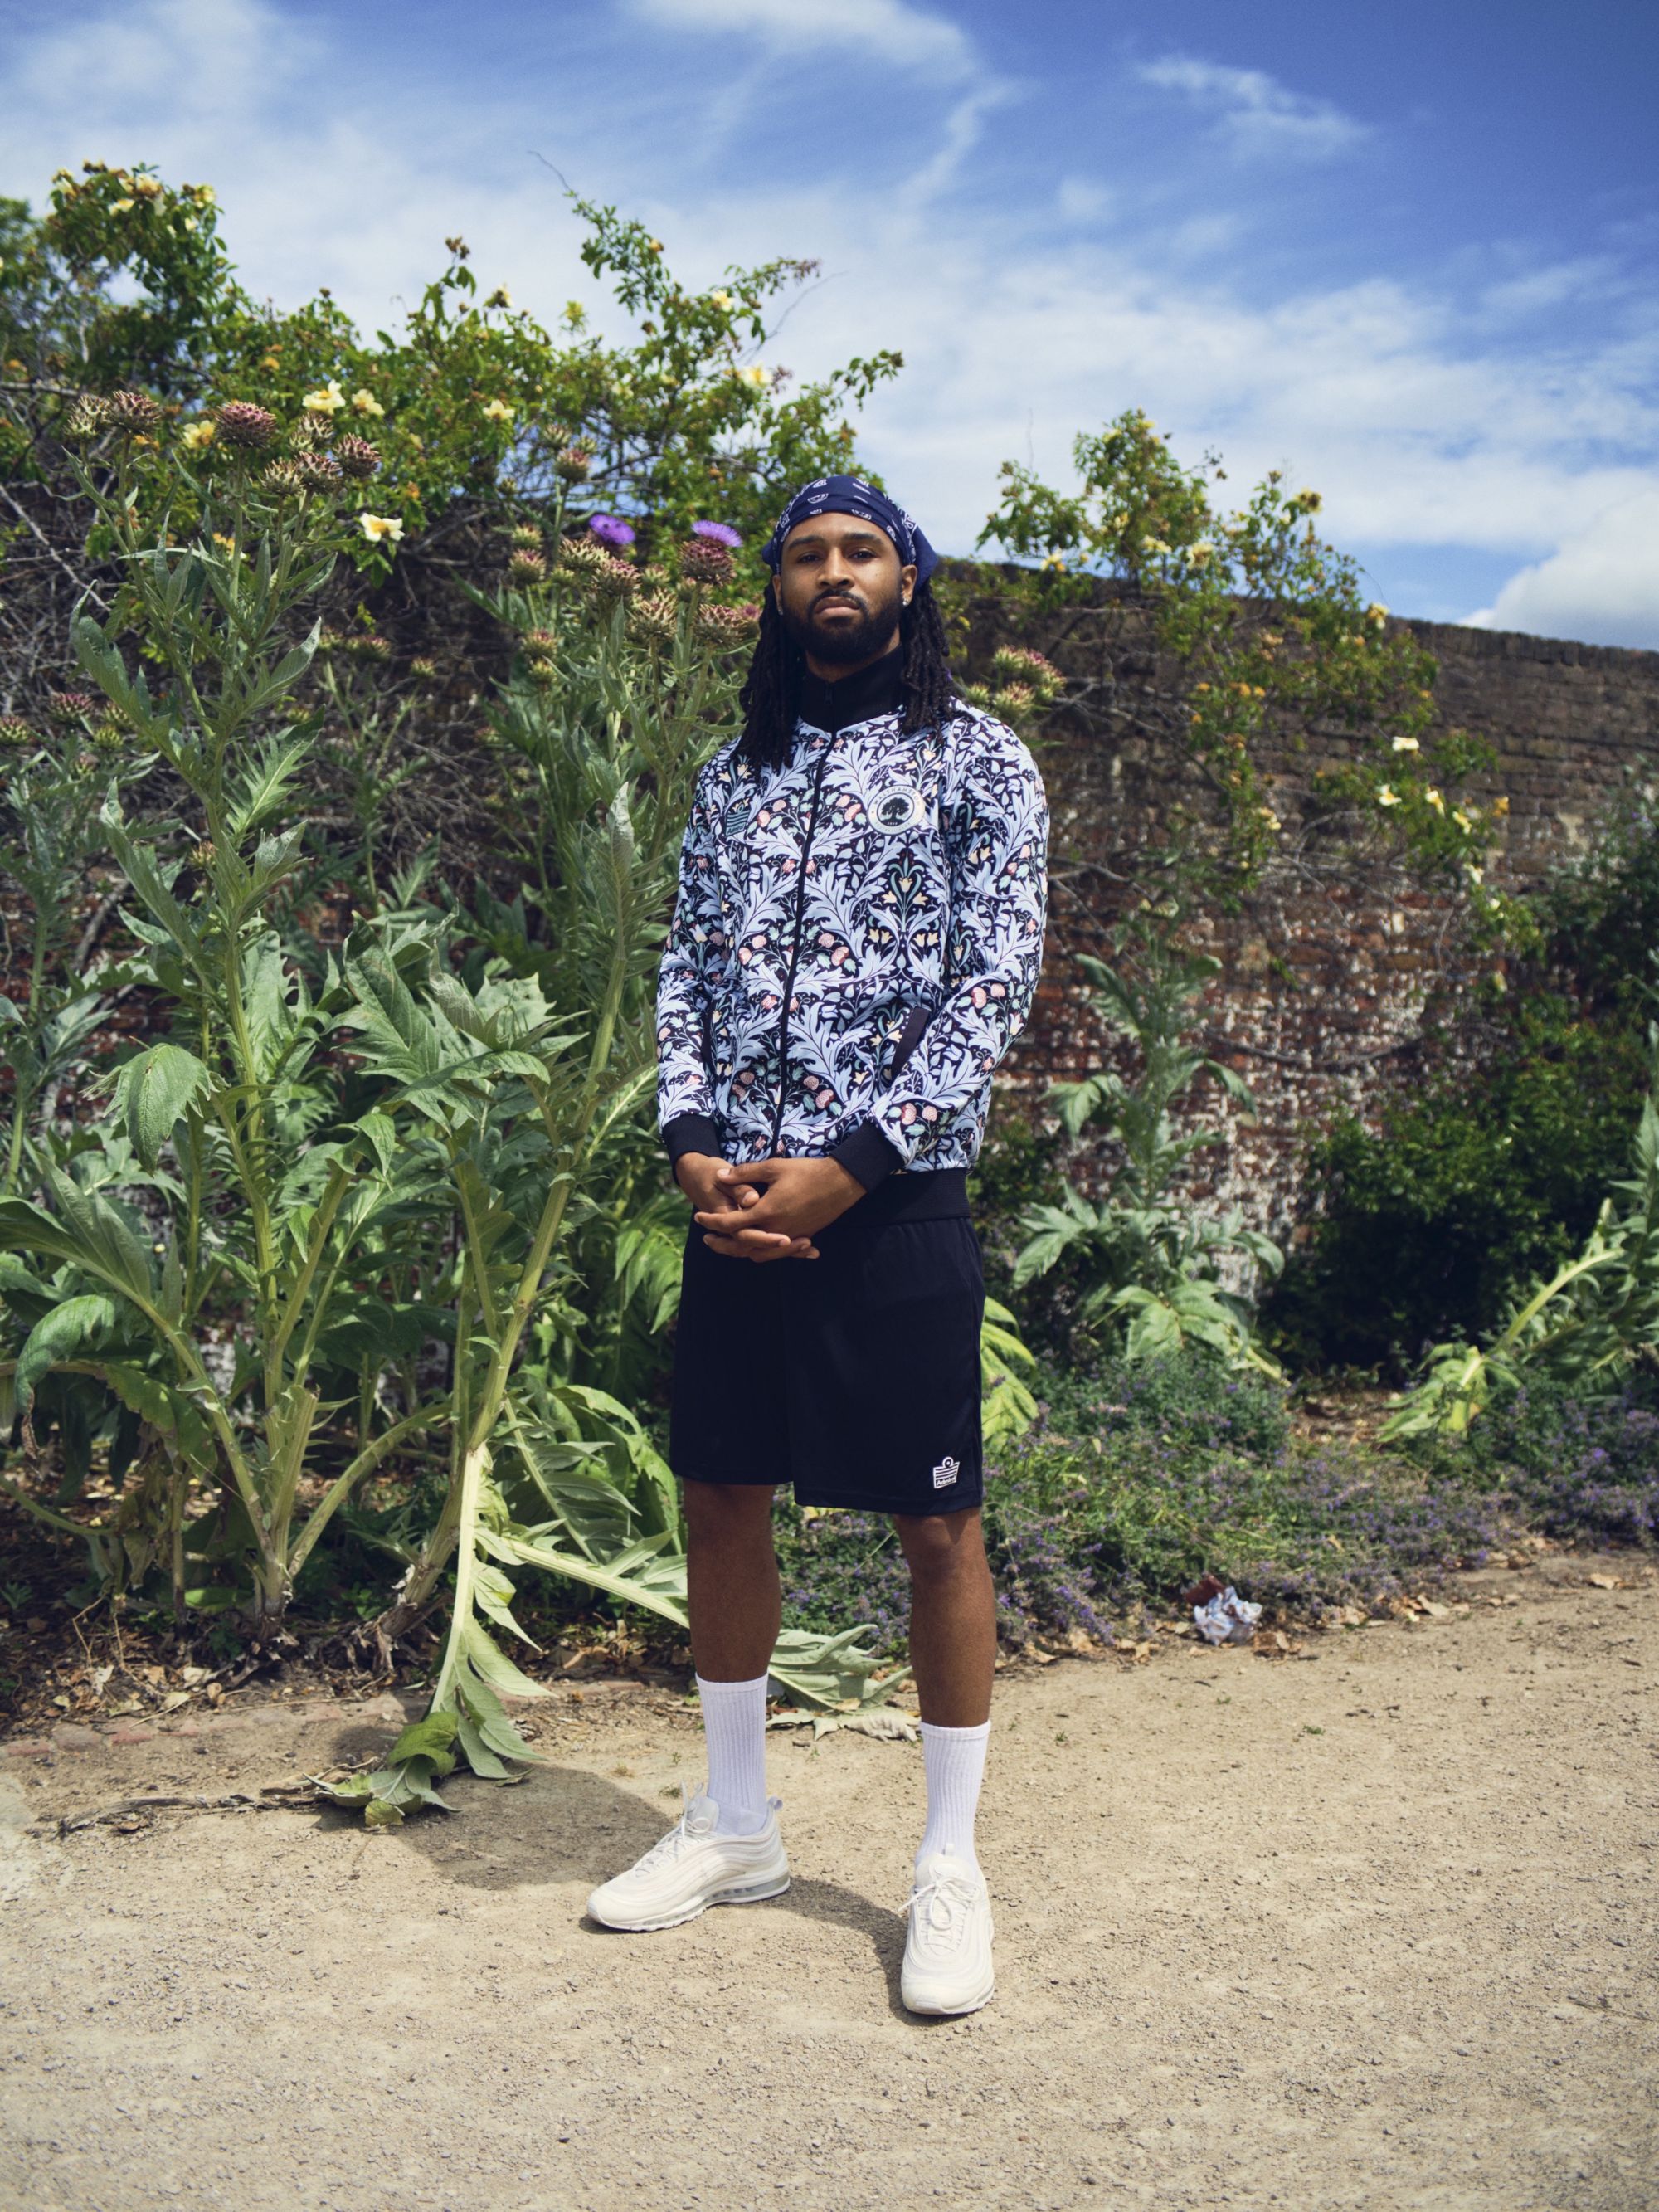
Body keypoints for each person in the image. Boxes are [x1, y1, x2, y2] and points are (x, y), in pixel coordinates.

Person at [586, 475, 1049, 2017]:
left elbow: (993, 982)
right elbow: (687, 967)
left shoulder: (981, 758)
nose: (832, 571)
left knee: (939, 1526)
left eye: (861, 550)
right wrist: (694, 1145)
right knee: (721, 1495)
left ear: (908, 577)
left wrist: (848, 1168)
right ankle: (737, 1824)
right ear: (778, 588)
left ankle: (949, 1864)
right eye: (805, 554)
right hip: (738, 1201)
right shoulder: (738, 770)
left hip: (891, 1199)